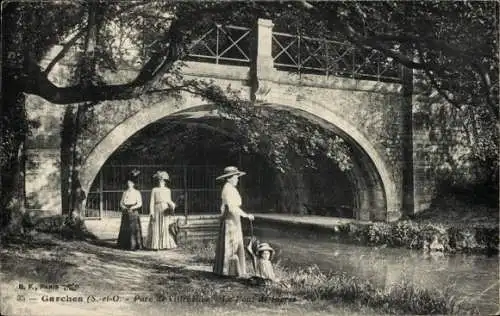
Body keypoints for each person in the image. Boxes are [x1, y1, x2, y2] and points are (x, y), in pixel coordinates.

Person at [213, 166, 254, 277]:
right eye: (235, 177)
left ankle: (235, 269)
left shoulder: (230, 188)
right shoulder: (228, 189)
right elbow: (231, 207)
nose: (237, 179)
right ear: (229, 178)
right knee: (231, 242)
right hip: (230, 219)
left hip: (234, 218)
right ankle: (228, 270)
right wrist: (246, 215)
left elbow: (224, 206)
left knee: (236, 242)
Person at [146, 171, 177, 250]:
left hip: (165, 209)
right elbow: (152, 202)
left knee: (164, 226)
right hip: (156, 208)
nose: (161, 182)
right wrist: (151, 212)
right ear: (158, 181)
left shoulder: (168, 190)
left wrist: (173, 205)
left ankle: (165, 244)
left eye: (163, 181)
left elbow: (169, 200)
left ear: (165, 182)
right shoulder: (154, 190)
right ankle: (156, 245)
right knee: (156, 226)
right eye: (160, 180)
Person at [117, 169, 144, 250]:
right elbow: (121, 202)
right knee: (125, 228)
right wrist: (124, 207)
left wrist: (132, 207)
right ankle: (125, 245)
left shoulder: (137, 192)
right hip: (126, 211)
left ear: (133, 184)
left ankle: (134, 245)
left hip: (133, 211)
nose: (129, 184)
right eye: (128, 183)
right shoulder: (125, 192)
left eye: (131, 183)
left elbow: (140, 203)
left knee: (133, 229)